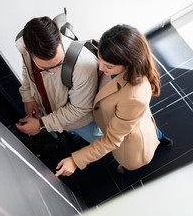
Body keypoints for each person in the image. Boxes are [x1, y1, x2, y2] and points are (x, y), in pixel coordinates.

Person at [55, 24, 173, 177]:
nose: (101, 67)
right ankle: (162, 140)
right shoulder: (117, 55)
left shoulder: (135, 96)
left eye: (108, 67)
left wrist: (76, 160)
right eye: (100, 60)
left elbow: (111, 140)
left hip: (132, 146)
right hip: (136, 120)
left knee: (131, 165)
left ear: (128, 64)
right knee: (154, 132)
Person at [15, 16, 99, 143]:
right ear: (28, 50)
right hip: (52, 117)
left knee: (98, 149)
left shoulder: (84, 66)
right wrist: (28, 97)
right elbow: (27, 70)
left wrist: (41, 124)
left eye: (59, 63)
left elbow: (79, 109)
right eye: (45, 68)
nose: (53, 71)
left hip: (82, 124)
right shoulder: (23, 47)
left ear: (60, 38)